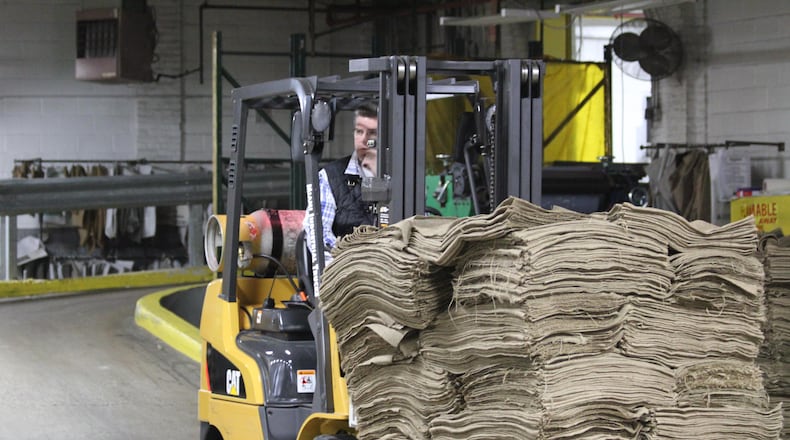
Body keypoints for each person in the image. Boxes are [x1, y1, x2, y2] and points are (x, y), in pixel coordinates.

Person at [303, 103, 378, 263]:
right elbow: (319, 236)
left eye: (372, 133)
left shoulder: (403, 178)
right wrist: (350, 266)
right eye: (359, 131)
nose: (364, 140)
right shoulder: (330, 178)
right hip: (346, 275)